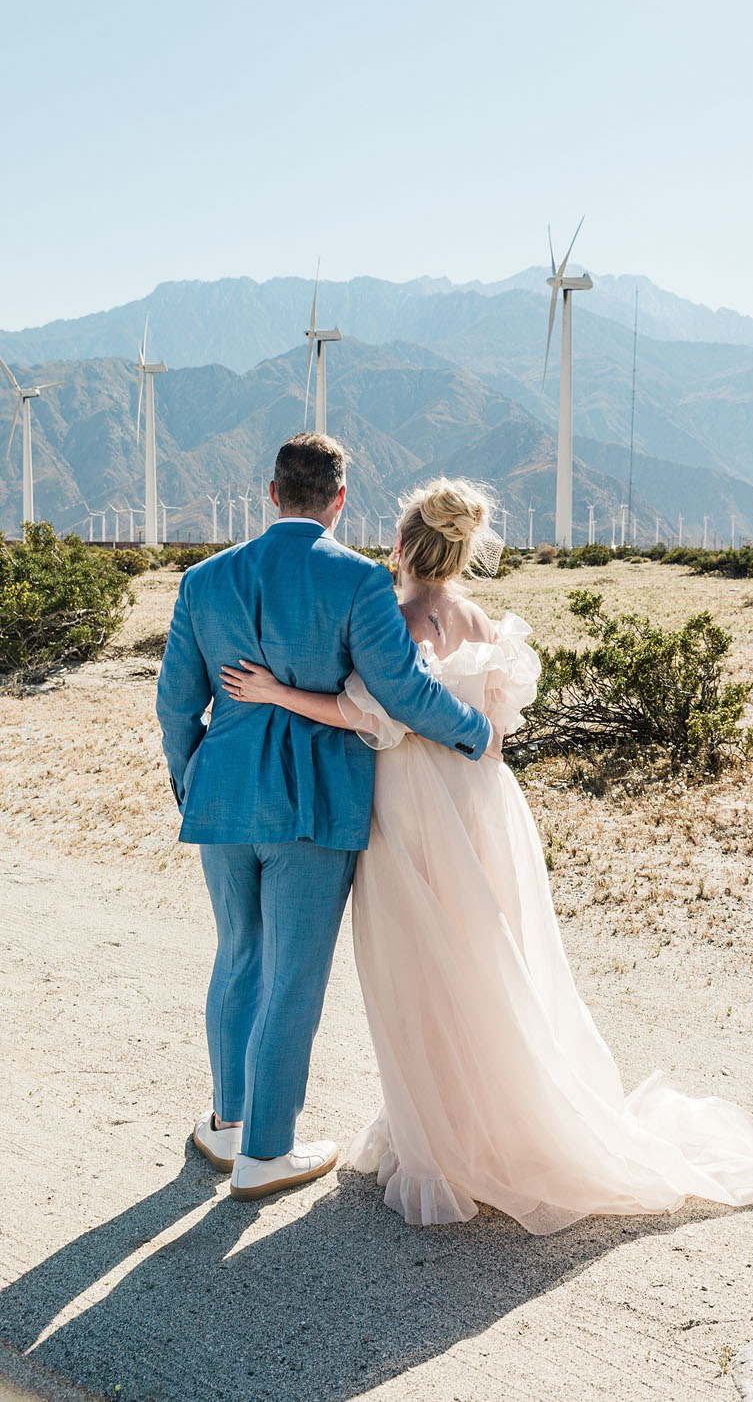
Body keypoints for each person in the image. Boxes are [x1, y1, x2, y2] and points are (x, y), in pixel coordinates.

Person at [220, 476, 753, 1232]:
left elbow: (370, 715)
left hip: (410, 813)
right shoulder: (488, 624)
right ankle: (492, 1120)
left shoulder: (393, 620)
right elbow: (499, 731)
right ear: (463, 549)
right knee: (493, 963)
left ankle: (442, 1133)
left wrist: (273, 692)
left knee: (423, 971)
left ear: (398, 547)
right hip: (486, 807)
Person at [156, 435, 499, 1203]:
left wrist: (192, 783)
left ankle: (227, 1124)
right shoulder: (359, 582)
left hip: (223, 796)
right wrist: (478, 734)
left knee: (238, 954)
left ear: (272, 494)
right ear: (339, 500)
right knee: (294, 976)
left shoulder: (201, 580)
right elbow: (404, 694)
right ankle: (265, 1154)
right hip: (313, 803)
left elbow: (176, 702)